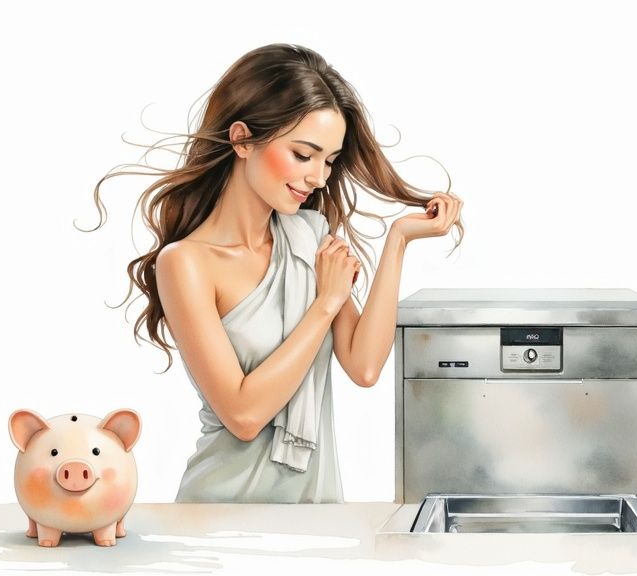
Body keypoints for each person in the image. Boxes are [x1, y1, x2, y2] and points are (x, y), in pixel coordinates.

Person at [87, 44, 464, 503]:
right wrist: (325, 303)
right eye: (303, 155)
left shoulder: (308, 236)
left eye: (328, 160)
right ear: (243, 139)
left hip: (315, 512)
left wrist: (398, 241)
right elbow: (244, 415)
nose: (320, 177)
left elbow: (364, 367)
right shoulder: (186, 263)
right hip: (220, 512)